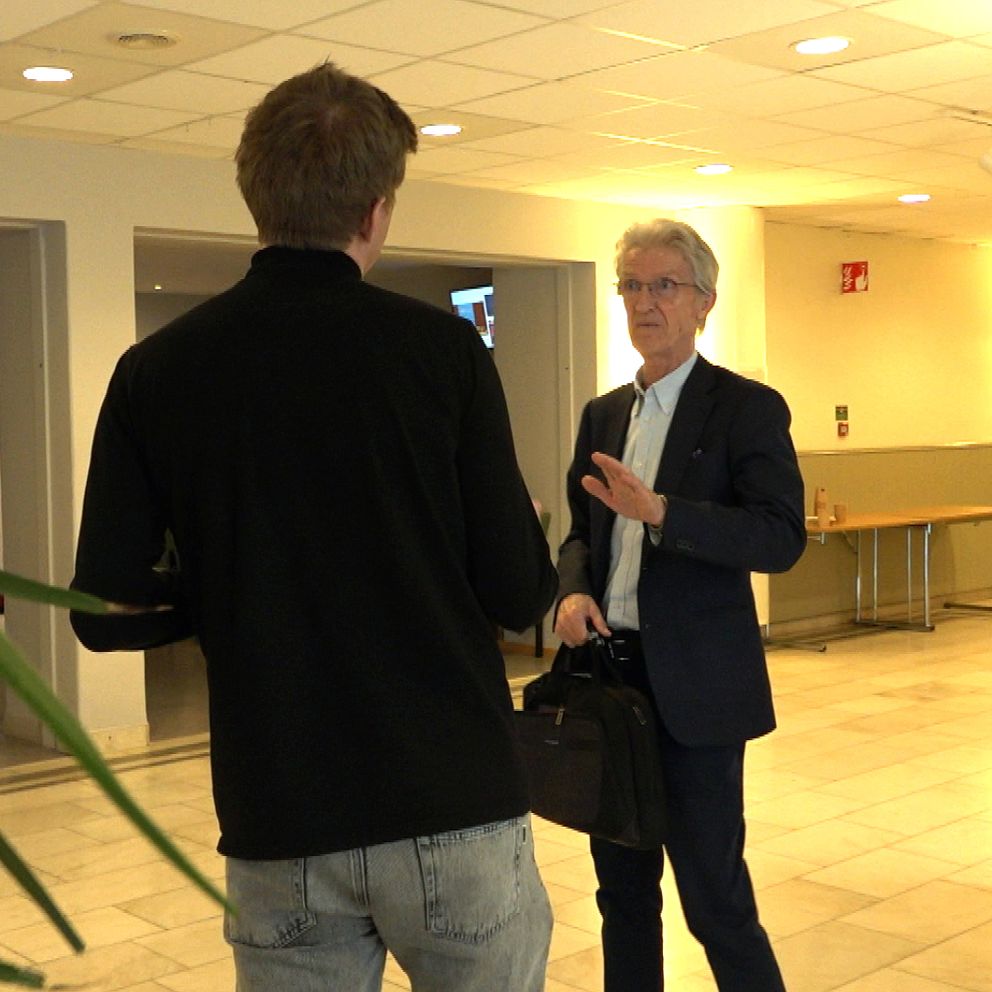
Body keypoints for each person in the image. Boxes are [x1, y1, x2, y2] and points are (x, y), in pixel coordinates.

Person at [70, 62, 557, 992]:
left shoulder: (157, 371)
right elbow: (516, 588)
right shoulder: (443, 352)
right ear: (376, 210)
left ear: (256, 198)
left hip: (280, 810)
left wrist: (233, 582)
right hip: (450, 795)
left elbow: (105, 612)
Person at [555, 218, 805, 991]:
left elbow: (779, 537)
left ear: (704, 302)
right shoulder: (603, 414)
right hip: (612, 684)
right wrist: (572, 588)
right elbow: (581, 532)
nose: (644, 302)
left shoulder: (744, 409)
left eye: (664, 285)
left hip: (698, 691)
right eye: (631, 285)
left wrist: (665, 514)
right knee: (622, 896)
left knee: (715, 901)